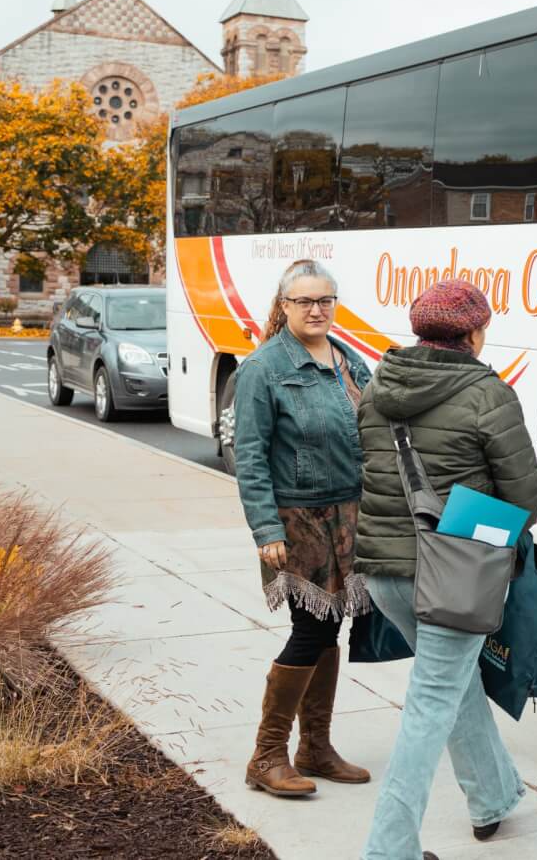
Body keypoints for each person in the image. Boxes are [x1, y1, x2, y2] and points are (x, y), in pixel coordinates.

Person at [354, 279, 537, 858]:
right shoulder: (488, 393)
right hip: (452, 576)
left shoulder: (375, 386)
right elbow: (526, 500)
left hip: (384, 572)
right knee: (429, 707)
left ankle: (491, 797)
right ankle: (389, 851)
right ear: (474, 333)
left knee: (453, 684)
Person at [233, 258, 373, 797]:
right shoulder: (263, 368)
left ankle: (315, 746)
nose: (317, 310)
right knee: (310, 629)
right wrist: (266, 529)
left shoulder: (347, 359)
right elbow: (249, 456)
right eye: (305, 301)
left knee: (332, 626)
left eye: (326, 301)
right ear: (285, 305)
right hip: (298, 519)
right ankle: (266, 755)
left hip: (349, 515)